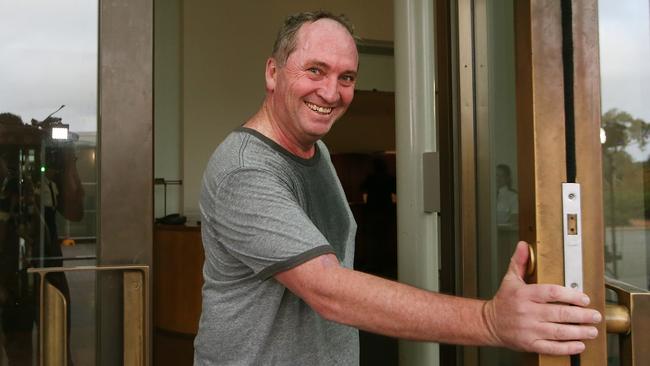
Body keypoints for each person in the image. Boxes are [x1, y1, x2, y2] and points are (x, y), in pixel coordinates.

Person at [195, 11, 602, 365]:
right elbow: (328, 290)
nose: (331, 93)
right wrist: (490, 321)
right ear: (272, 72)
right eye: (315, 70)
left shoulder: (314, 150)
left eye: (347, 77)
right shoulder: (244, 170)